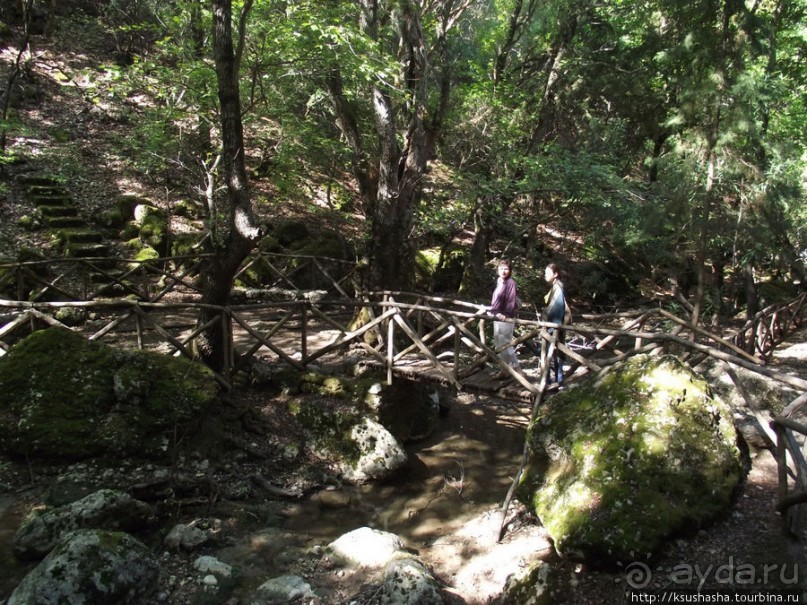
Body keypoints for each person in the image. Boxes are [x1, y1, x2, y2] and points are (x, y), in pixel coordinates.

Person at [490, 259, 520, 377]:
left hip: (505, 318)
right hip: (496, 316)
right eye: (501, 268)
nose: (504, 271)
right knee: (498, 344)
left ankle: (517, 370)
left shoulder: (510, 283)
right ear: (498, 270)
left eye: (506, 269)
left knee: (506, 344)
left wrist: (506, 315)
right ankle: (505, 369)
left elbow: (511, 301)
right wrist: (494, 312)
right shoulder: (499, 281)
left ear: (510, 271)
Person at [543, 263, 567, 384]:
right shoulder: (556, 287)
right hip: (553, 326)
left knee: (552, 354)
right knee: (554, 354)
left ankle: (554, 382)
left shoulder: (558, 288)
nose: (545, 275)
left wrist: (551, 327)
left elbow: (557, 309)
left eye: (547, 273)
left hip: (554, 327)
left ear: (555, 274)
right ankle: (556, 381)